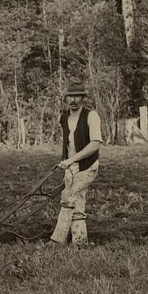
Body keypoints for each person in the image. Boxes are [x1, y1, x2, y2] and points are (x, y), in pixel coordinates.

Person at [49, 79, 102, 245]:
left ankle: (57, 241)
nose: (73, 100)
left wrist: (71, 159)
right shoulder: (63, 117)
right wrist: (65, 160)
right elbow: (67, 141)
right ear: (65, 98)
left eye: (76, 96)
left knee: (68, 198)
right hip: (70, 168)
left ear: (83, 98)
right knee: (77, 203)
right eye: (69, 96)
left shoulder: (91, 116)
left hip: (87, 167)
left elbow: (95, 144)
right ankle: (80, 243)